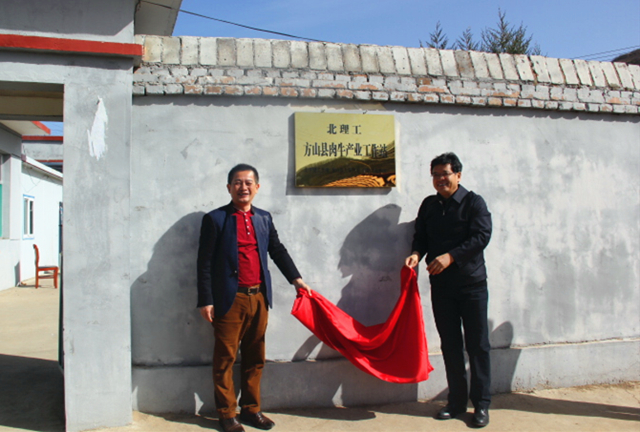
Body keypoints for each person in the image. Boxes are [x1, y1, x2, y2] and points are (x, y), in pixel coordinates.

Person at [197, 163, 312, 432]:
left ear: (257, 187)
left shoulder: (263, 218)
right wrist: (206, 299)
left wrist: (296, 279)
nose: (243, 187)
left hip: (259, 297)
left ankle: (251, 410)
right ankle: (227, 414)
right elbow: (204, 263)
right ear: (229, 187)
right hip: (229, 299)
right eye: (237, 182)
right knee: (225, 358)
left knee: (255, 356)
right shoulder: (215, 219)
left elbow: (277, 250)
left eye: (248, 183)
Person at [405, 152, 492, 428]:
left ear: (458, 175)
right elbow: (421, 236)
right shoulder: (429, 205)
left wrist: (451, 257)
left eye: (445, 173)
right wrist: (416, 254)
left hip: (472, 285)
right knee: (450, 345)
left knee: (477, 345)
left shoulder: (474, 203)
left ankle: (481, 405)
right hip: (442, 287)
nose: (440, 179)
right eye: (435, 174)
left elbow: (481, 236)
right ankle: (456, 402)